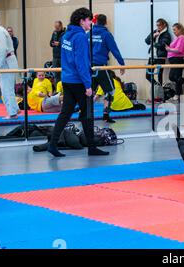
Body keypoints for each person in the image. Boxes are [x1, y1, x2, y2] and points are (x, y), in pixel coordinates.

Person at [48, 8, 109, 158]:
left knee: (66, 113)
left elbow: (66, 59)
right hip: (78, 81)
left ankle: (52, 144)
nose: (91, 23)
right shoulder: (80, 37)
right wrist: (88, 86)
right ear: (82, 21)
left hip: (67, 79)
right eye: (89, 20)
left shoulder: (66, 35)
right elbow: (81, 63)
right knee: (88, 114)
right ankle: (92, 147)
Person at [91, 14, 126, 123]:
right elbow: (114, 49)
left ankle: (85, 114)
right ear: (105, 22)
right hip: (101, 67)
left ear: (95, 22)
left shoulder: (89, 34)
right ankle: (106, 115)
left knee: (89, 92)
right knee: (110, 91)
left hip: (89, 67)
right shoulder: (106, 34)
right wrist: (122, 63)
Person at [145, 18, 171, 86]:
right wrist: (153, 36)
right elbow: (147, 41)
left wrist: (154, 44)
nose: (158, 27)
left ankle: (160, 91)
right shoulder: (155, 31)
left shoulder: (166, 34)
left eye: (159, 25)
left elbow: (162, 46)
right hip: (152, 56)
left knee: (159, 75)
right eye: (157, 25)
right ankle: (157, 86)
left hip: (160, 57)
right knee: (148, 75)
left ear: (164, 25)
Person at [166, 23, 184, 102]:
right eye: (173, 30)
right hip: (174, 59)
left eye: (175, 30)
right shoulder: (178, 38)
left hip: (178, 59)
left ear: (180, 29)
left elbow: (179, 49)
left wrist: (169, 49)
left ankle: (182, 81)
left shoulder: (182, 38)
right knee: (175, 77)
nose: (174, 32)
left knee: (173, 77)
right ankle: (178, 94)